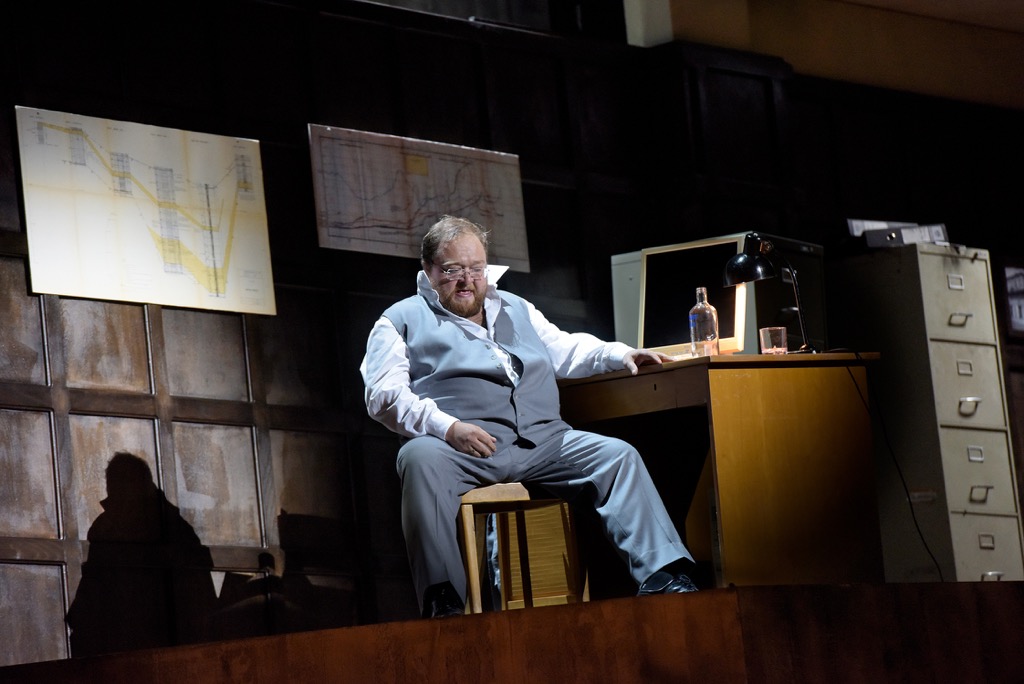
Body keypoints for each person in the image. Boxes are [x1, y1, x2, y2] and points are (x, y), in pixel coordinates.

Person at [360, 215, 698, 618]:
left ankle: (664, 575)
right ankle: (443, 599)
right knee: (417, 458)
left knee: (617, 456)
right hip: (464, 449)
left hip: (543, 442)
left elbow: (564, 348)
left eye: (476, 269)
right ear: (428, 271)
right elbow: (383, 395)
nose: (467, 281)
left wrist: (620, 353)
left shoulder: (515, 306)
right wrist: (447, 428)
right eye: (452, 271)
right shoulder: (398, 320)